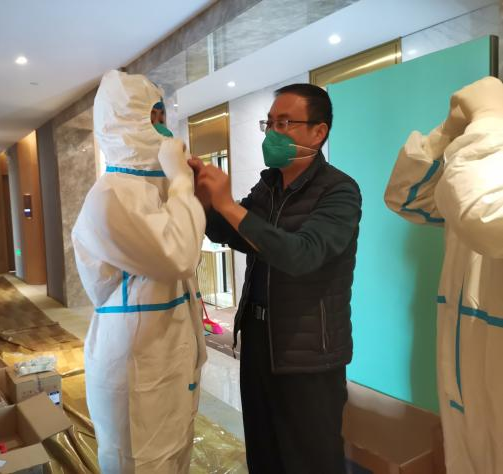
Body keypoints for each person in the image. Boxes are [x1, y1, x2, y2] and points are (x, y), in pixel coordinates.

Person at [190, 83, 362, 473]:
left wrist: (228, 204)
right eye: (269, 123)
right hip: (257, 343)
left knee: (310, 460)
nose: (273, 133)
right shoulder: (268, 186)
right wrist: (205, 200)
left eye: (284, 123)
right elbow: (235, 234)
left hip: (308, 355)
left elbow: (301, 255)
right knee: (264, 453)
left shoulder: (340, 191)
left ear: (318, 132)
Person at [72, 70, 207, 473]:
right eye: (153, 118)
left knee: (173, 454)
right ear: (125, 122)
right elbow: (179, 256)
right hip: (136, 363)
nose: (163, 128)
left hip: (167, 357)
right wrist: (181, 181)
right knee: (141, 461)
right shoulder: (111, 196)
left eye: (164, 117)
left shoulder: (153, 189)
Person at [385, 76, 503, 474]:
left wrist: (488, 120)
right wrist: (446, 133)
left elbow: (486, 217)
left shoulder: (485, 155)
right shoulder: (483, 162)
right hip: (466, 379)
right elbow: (406, 197)